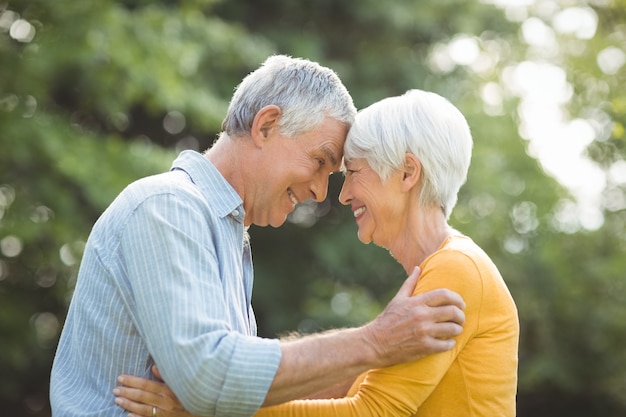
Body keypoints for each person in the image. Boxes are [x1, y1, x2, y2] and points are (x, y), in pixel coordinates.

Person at [50, 56, 467, 417]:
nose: (322, 192)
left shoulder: (227, 235)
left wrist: (389, 348)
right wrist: (375, 341)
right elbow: (211, 378)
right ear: (266, 125)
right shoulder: (167, 207)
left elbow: (240, 393)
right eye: (320, 161)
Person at [112, 89, 519, 417]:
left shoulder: (456, 269)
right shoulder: (438, 273)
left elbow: (370, 411)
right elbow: (341, 383)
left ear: (408, 173)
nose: (341, 195)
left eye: (353, 172)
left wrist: (212, 409)